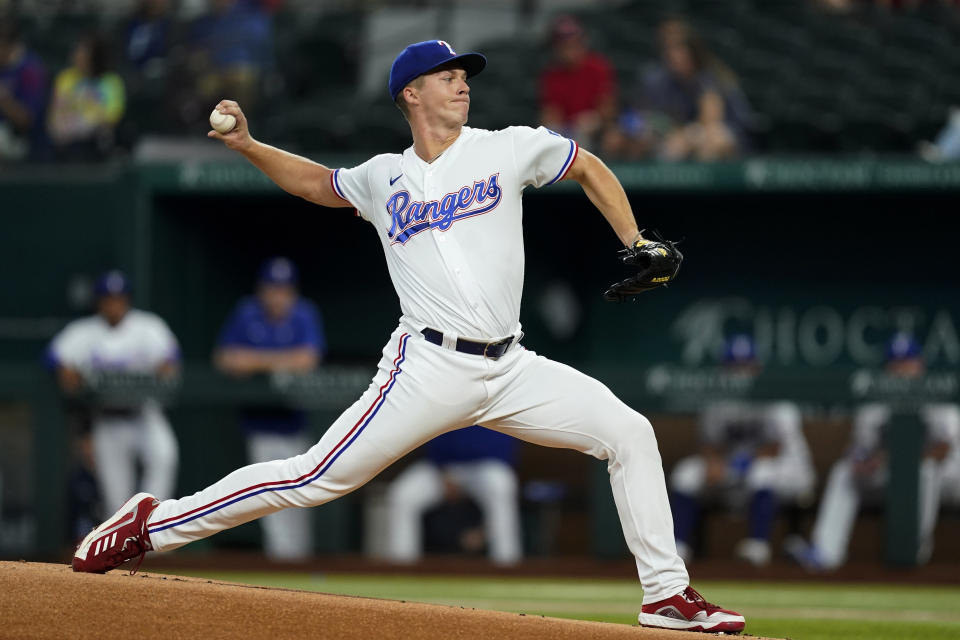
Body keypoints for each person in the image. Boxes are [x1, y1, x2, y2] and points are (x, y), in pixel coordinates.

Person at [73, 40, 744, 634]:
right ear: (411, 93)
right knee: (312, 477)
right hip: (425, 367)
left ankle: (666, 594)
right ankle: (150, 526)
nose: (462, 82)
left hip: (511, 367)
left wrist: (634, 240)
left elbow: (589, 165)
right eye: (446, 74)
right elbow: (316, 185)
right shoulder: (381, 176)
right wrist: (249, 146)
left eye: (464, 74)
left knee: (630, 433)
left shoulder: (504, 147)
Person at [788, 332, 960, 570]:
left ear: (920, 365)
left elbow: (942, 449)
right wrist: (861, 462)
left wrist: (898, 461)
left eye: (907, 363)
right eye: (895, 364)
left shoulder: (937, 394)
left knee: (924, 471)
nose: (902, 370)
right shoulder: (874, 403)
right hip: (890, 474)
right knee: (844, 472)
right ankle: (826, 554)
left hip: (946, 477)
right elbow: (860, 448)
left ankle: (913, 553)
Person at [213, 256, 325, 561]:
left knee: (302, 495)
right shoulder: (246, 312)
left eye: (284, 290)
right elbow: (226, 358)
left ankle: (299, 563)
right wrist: (280, 361)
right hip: (259, 425)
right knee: (267, 496)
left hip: (295, 423)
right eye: (273, 289)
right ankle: (282, 564)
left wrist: (256, 361)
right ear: (262, 290)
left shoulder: (304, 313)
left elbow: (308, 360)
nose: (278, 296)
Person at [669, 335, 816, 567]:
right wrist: (713, 462)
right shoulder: (718, 400)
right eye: (733, 366)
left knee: (762, 472)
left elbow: (776, 447)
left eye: (745, 365)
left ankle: (757, 547)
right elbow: (709, 444)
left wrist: (737, 465)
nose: (739, 372)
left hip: (789, 472)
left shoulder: (775, 397)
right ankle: (679, 548)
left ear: (757, 367)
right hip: (739, 471)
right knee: (686, 473)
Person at [47, 270, 180, 515]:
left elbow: (170, 358)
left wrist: (165, 367)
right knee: (115, 496)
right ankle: (124, 544)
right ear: (99, 302)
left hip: (144, 414)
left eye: (119, 298)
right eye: (108, 298)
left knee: (164, 456)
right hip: (106, 418)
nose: (114, 304)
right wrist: (66, 370)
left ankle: (154, 524)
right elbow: (54, 357)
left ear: (128, 300)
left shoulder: (148, 326)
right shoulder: (83, 332)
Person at [608, 17, 752, 161]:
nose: (673, 55)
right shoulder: (661, 80)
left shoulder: (710, 77)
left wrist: (684, 135)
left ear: (692, 52)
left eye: (679, 49)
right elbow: (647, 115)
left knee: (709, 140)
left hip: (729, 135)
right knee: (626, 139)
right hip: (679, 134)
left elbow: (709, 122)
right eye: (668, 50)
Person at [385, 426, 522, 566]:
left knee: (501, 484)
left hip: (485, 466)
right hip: (441, 467)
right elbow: (430, 430)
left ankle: (506, 564)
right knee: (403, 495)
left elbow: (503, 445)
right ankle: (402, 565)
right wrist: (442, 468)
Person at [538, 14, 616, 151]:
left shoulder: (598, 67)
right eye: (564, 45)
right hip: (565, 131)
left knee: (588, 131)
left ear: (582, 42)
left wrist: (593, 119)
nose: (569, 49)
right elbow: (550, 114)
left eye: (574, 43)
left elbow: (608, 110)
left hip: (594, 129)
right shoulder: (551, 74)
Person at [46, 32, 126, 161]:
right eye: (76, 50)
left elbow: (111, 119)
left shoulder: (111, 81)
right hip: (66, 139)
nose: (76, 55)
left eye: (82, 51)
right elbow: (55, 115)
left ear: (94, 56)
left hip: (94, 141)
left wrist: (84, 127)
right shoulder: (65, 78)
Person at [0, 17, 47, 161]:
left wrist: (3, 100)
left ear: (9, 46)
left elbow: (26, 120)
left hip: (23, 141)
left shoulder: (30, 69)